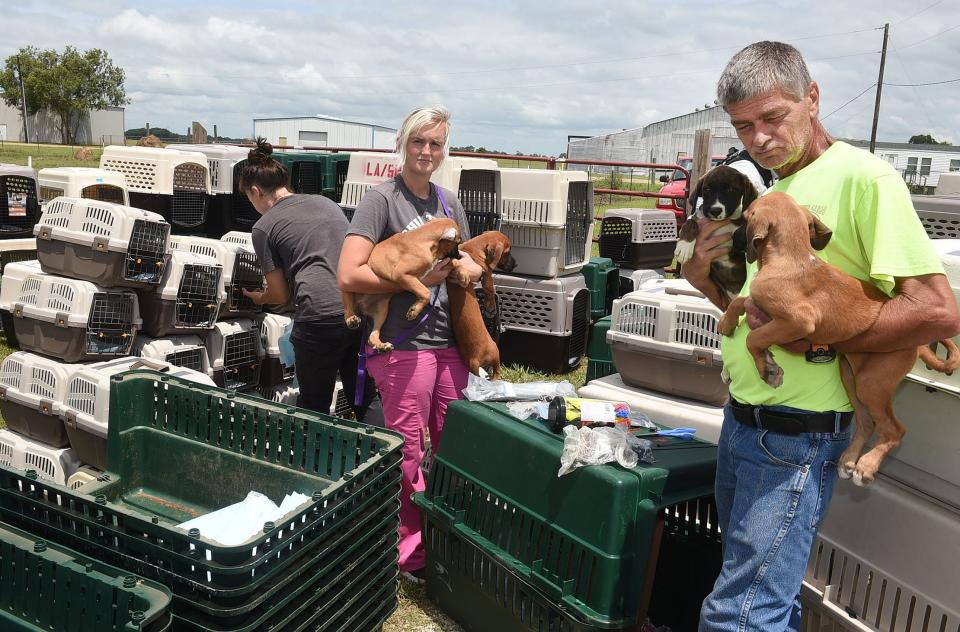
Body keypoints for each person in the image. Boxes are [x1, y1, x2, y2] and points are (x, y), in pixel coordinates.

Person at [681, 41, 960, 632]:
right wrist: (708, 285)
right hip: (745, 416)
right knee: (752, 594)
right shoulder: (769, 192)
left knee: (741, 615)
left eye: (772, 118)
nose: (758, 138)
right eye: (743, 126)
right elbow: (766, 313)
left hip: (796, 437)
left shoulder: (866, 179)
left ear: (812, 99)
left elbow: (937, 312)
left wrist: (825, 343)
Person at [337, 105, 482, 584]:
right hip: (403, 344)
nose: (426, 151)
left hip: (449, 344)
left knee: (457, 445)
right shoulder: (380, 201)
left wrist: (470, 270)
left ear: (445, 150)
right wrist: (414, 280)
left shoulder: (447, 202)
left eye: (435, 144)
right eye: (418, 141)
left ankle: (449, 538)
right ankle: (410, 554)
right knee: (409, 452)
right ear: (403, 143)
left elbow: (467, 259)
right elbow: (350, 273)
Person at [239, 138, 384, 427]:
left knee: (314, 403)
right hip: (359, 307)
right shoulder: (325, 202)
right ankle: (388, 459)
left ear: (255, 191)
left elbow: (279, 293)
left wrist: (259, 298)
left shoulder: (263, 227)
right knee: (364, 395)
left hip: (318, 317)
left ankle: (316, 463)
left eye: (248, 197)